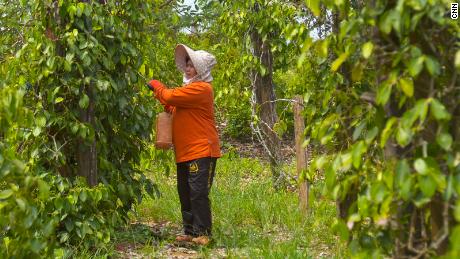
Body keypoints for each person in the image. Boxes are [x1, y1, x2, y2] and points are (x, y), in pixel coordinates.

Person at [146, 44, 221, 245]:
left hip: (201, 150)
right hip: (185, 151)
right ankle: (190, 232)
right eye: (187, 64)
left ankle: (204, 234)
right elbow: (173, 105)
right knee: (185, 191)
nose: (188, 68)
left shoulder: (202, 89)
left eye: (192, 65)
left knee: (198, 192)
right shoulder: (190, 90)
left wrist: (157, 85)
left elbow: (170, 96)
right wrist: (165, 101)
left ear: (201, 70)